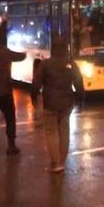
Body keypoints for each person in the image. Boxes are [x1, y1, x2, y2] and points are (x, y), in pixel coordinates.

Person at [33, 42, 83, 173]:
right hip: (67, 102)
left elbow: (36, 83)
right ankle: (62, 160)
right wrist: (80, 98)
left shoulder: (45, 64)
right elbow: (79, 82)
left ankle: (56, 163)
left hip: (50, 102)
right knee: (64, 130)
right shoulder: (71, 64)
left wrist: (34, 97)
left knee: (51, 132)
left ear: (52, 51)